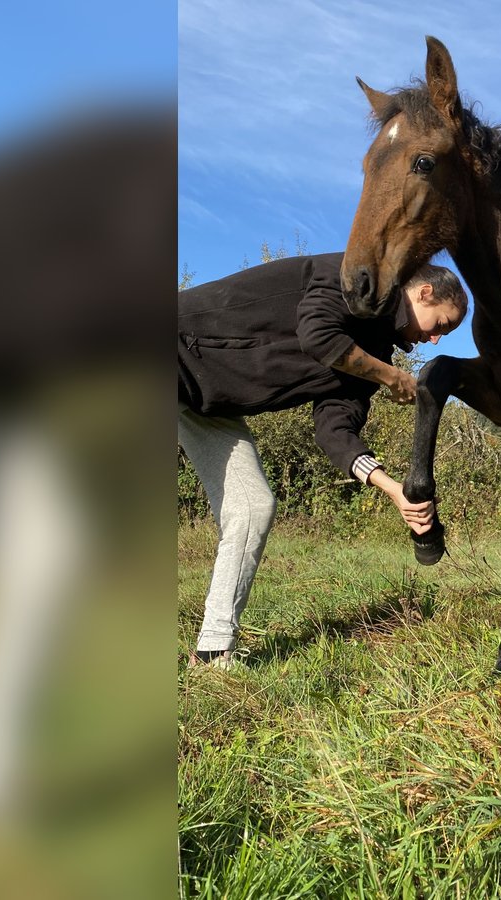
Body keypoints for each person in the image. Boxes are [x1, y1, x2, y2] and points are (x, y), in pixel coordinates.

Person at [178, 253, 468, 667]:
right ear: (424, 293)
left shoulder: (374, 353)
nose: (436, 339)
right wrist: (390, 376)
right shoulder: (355, 276)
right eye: (441, 325)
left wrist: (395, 492)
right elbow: (318, 334)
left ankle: (212, 650)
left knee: (252, 506)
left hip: (205, 404)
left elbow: (335, 431)